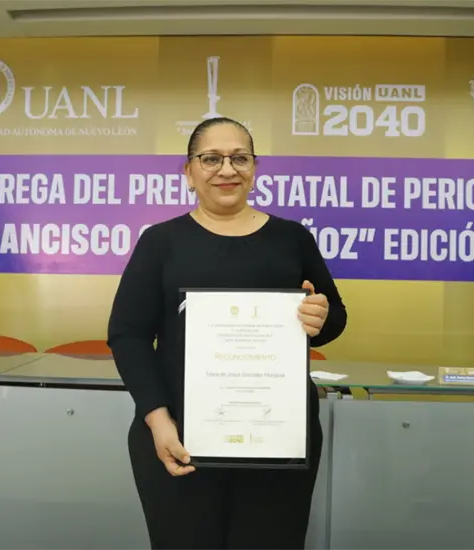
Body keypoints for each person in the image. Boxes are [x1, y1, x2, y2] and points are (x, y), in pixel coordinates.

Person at [107, 117, 347, 550]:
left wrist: (320, 316)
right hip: (179, 438)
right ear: (189, 171)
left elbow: (333, 318)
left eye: (240, 158)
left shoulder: (291, 239)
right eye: (211, 158)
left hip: (279, 438)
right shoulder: (161, 242)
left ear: (255, 168)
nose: (227, 169)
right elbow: (128, 335)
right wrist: (158, 422)